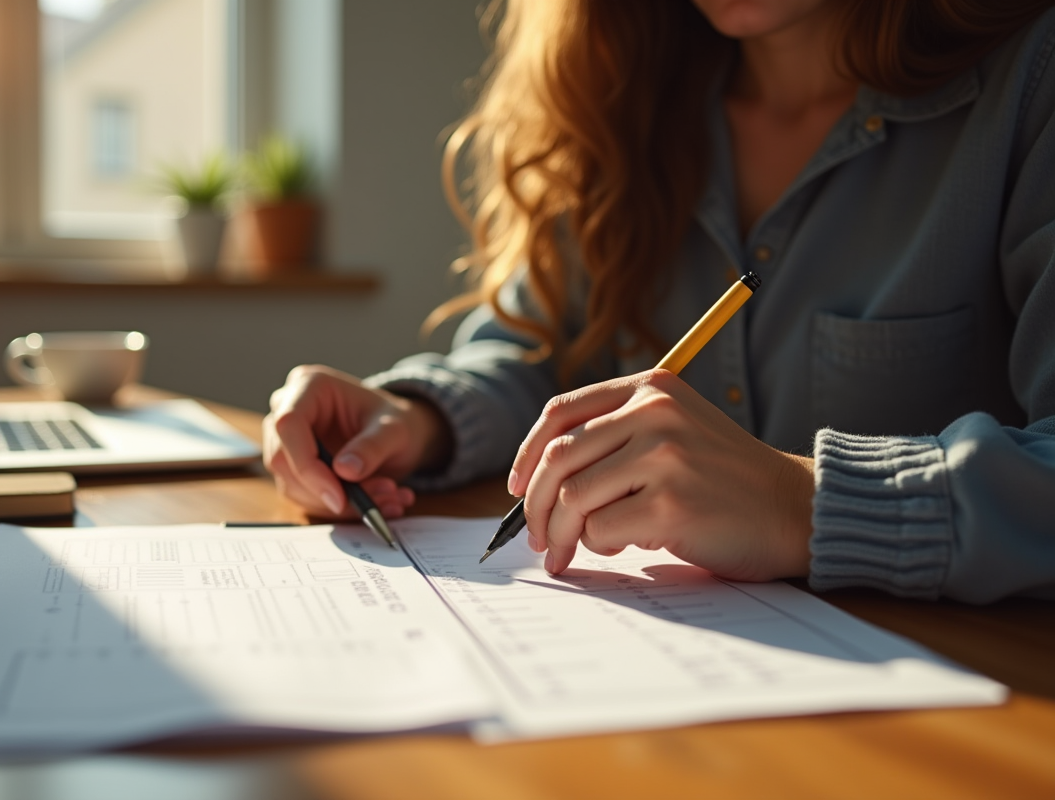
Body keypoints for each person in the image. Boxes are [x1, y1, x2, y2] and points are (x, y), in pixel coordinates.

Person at [263, 0, 1055, 604]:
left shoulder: (1032, 81)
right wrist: (420, 420)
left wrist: (798, 502)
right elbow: (541, 353)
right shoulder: (619, 105)